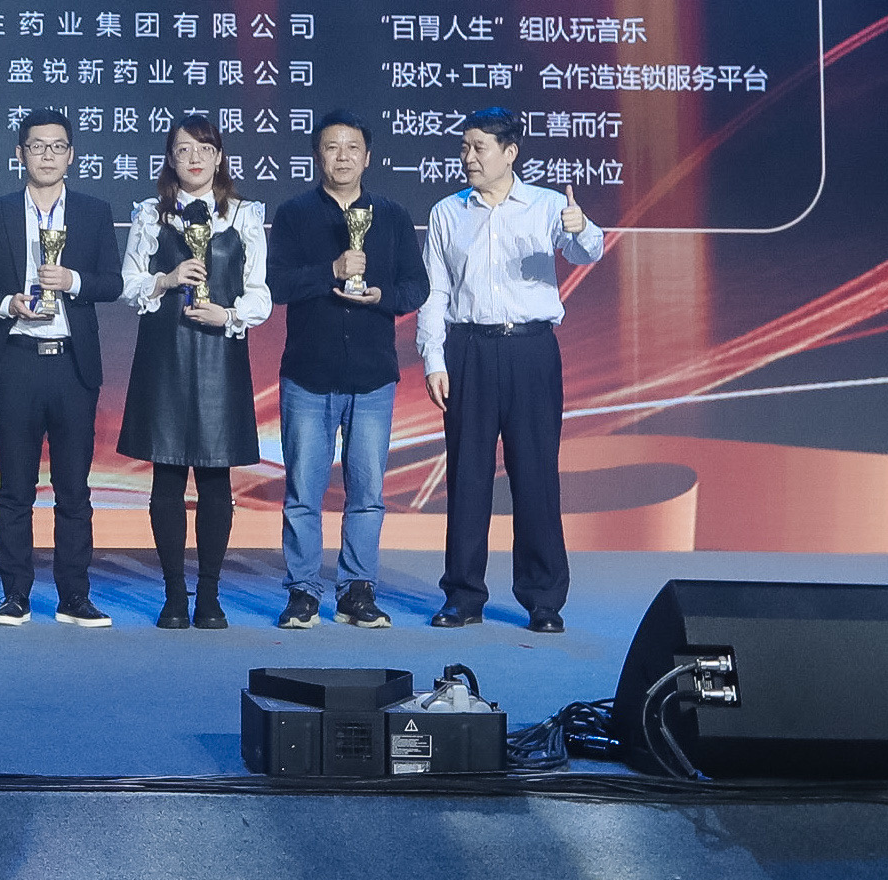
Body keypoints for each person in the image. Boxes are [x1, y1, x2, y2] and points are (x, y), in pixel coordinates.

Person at [422, 104, 605, 632]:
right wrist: (434, 358)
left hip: (531, 351)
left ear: (510, 152)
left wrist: (581, 227)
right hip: (469, 350)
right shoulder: (447, 212)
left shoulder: (547, 206)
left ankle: (543, 599)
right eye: (464, 147)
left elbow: (586, 252)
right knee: (467, 476)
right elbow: (435, 293)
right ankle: (462, 596)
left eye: (479, 147)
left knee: (535, 474)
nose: (468, 157)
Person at [269, 109, 434, 630]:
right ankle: (302, 591)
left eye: (352, 148)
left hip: (373, 375)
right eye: (331, 147)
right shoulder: (294, 214)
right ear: (317, 155)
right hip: (308, 374)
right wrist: (331, 272)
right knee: (303, 493)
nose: (342, 157)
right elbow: (276, 286)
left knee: (367, 493)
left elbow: (418, 286)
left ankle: (356, 591)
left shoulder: (392, 215)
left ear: (368, 157)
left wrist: (384, 297)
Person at [0, 107, 120, 628]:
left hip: (73, 366)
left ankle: (74, 596)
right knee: (15, 488)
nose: (47, 155)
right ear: (20, 154)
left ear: (71, 155)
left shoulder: (94, 212)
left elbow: (111, 282)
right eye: (37, 146)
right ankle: (15, 594)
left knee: (74, 489)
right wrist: (7, 303)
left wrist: (72, 281)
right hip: (17, 362)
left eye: (57, 147)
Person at [119, 114, 270, 627]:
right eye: (183, 150)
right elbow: (129, 285)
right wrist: (166, 279)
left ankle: (209, 594)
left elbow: (260, 294)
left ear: (219, 157)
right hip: (164, 355)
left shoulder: (243, 216)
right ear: (170, 159)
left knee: (214, 475)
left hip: (218, 356)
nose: (194, 158)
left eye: (204, 149)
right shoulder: (150, 214)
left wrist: (228, 315)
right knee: (166, 473)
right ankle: (173, 595)